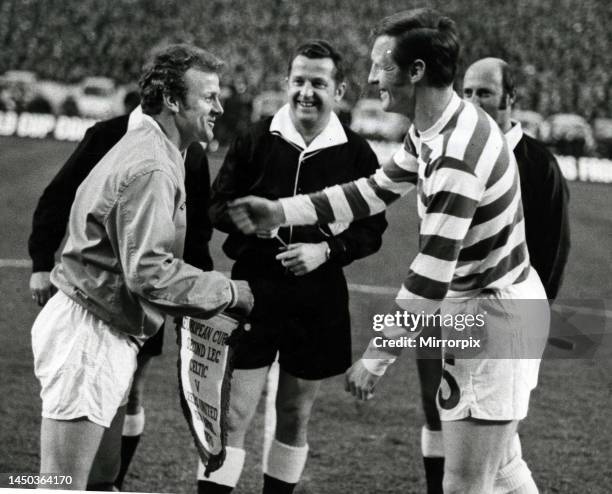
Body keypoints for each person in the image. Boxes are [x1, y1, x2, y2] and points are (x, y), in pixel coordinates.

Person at [227, 9, 549, 494]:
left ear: (415, 71)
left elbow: (428, 278)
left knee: (465, 482)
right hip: (497, 307)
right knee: (501, 466)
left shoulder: (457, 155)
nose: (373, 77)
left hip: (494, 318)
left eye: (382, 64)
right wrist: (282, 211)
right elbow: (372, 190)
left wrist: (375, 358)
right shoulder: (438, 126)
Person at [31, 43, 253, 490]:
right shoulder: (152, 164)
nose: (219, 106)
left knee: (63, 480)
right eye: (209, 96)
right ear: (173, 99)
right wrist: (227, 291)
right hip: (90, 331)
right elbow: (149, 273)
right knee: (60, 484)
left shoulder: (151, 147)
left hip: (95, 322)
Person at [201, 40, 387, 494]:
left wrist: (326, 252)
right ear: (287, 84)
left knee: (295, 414)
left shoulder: (357, 153)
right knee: (231, 414)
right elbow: (217, 205)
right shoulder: (257, 137)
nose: (307, 92)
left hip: (318, 296)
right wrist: (256, 225)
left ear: (339, 90)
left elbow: (373, 229)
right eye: (299, 81)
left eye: (318, 83)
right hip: (254, 289)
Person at [409, 56, 573, 494]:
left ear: (511, 99)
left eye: (485, 92)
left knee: (483, 461)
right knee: (492, 453)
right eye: (467, 92)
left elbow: (551, 257)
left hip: (501, 320)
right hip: (449, 310)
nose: (474, 101)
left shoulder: (538, 165)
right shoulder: (453, 149)